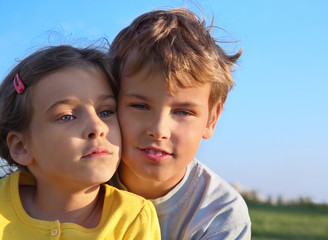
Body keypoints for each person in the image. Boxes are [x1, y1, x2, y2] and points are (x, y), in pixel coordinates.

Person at [109, 8, 251, 239]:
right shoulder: (79, 181)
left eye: (183, 112)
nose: (158, 130)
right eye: (140, 106)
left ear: (212, 119)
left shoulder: (220, 214)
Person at [0, 45, 160, 239]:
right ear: (20, 147)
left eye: (106, 112)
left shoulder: (133, 217)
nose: (98, 127)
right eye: (67, 117)